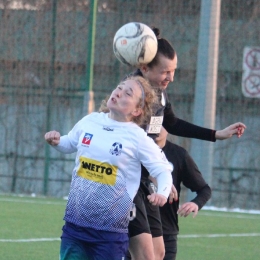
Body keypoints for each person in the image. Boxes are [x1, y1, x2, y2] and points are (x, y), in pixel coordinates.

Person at [125, 27, 246, 260]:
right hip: (128, 182)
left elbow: (174, 123)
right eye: (165, 71)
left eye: (173, 71)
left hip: (144, 181)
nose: (171, 77)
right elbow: (128, 141)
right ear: (144, 68)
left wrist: (215, 134)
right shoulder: (131, 95)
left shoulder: (158, 93)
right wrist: (157, 174)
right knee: (142, 255)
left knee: (158, 253)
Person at [44, 76, 174, 260]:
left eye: (127, 93)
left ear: (137, 110)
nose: (119, 92)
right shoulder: (91, 121)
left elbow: (163, 170)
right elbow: (70, 142)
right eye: (119, 87)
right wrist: (56, 141)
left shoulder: (137, 137)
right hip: (75, 227)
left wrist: (162, 192)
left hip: (109, 233)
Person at [154, 127, 212, 260]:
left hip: (166, 233)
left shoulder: (179, 155)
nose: (156, 127)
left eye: (161, 123)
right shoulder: (134, 151)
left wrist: (195, 203)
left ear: (169, 126)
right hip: (135, 231)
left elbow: (204, 189)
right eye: (152, 122)